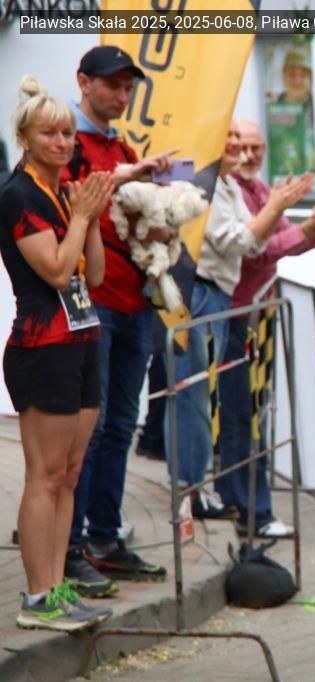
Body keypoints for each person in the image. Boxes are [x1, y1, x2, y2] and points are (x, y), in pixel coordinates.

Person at [1, 76, 114, 631]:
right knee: (44, 475)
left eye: (68, 133)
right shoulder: (18, 194)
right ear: (24, 138)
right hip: (42, 345)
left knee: (68, 473)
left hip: (82, 337)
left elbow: (95, 274)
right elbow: (54, 270)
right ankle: (37, 597)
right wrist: (84, 217)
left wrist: (87, 215)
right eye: (50, 133)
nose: (63, 142)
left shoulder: (66, 191)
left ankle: (58, 585)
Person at [213, 120, 315, 538]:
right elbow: (255, 251)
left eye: (255, 146)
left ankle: (241, 502)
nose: (247, 153)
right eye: (237, 143)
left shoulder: (258, 189)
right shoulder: (226, 189)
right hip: (233, 316)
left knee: (249, 416)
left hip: (254, 317)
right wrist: (313, 226)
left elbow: (283, 242)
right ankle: (249, 510)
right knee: (242, 419)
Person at [62, 46, 175, 599]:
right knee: (88, 429)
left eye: (129, 87)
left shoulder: (123, 146)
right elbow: (72, 196)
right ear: (83, 83)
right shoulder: (70, 141)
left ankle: (104, 538)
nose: (122, 95)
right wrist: (130, 175)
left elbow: (136, 218)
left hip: (134, 302)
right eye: (113, 85)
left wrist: (163, 214)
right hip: (92, 303)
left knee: (119, 427)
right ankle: (70, 547)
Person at [167, 120, 312, 518]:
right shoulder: (207, 180)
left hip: (228, 300)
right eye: (230, 137)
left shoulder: (231, 184)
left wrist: (309, 224)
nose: (241, 149)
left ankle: (199, 491)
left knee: (210, 402)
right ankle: (191, 493)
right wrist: (280, 210)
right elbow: (244, 242)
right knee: (194, 399)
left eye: (247, 141)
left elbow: (263, 242)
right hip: (206, 294)